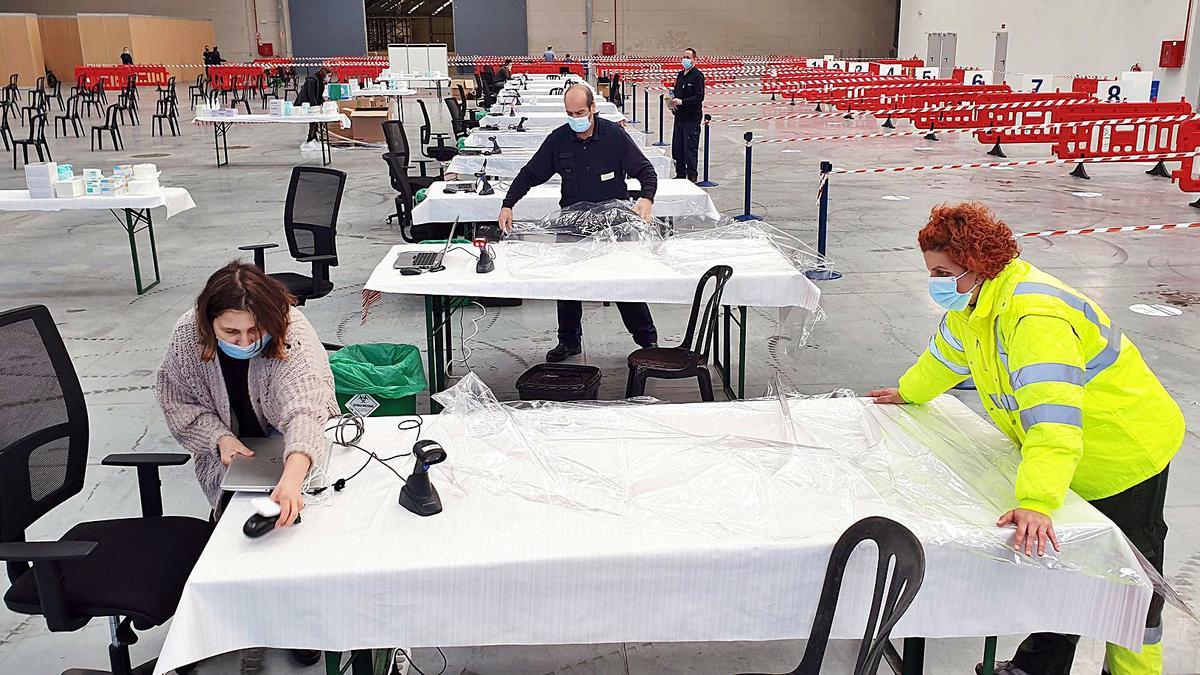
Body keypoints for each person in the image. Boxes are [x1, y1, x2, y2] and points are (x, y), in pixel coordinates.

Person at [868, 203, 1183, 675]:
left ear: (976, 265)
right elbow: (945, 358)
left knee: (1130, 587)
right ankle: (1038, 668)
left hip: (1123, 453)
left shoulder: (1035, 317)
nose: (934, 282)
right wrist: (908, 393)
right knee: (1064, 566)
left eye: (941, 272)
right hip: (1071, 457)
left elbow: (1052, 422)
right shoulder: (976, 305)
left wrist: (1035, 500)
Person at [497, 84, 659, 362]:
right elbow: (530, 173)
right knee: (568, 284)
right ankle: (569, 341)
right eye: (570, 113)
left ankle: (648, 341)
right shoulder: (559, 140)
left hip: (613, 226)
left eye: (580, 112)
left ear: (593, 108)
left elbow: (645, 170)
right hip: (573, 224)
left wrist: (646, 198)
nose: (575, 118)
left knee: (621, 283)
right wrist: (508, 204)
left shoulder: (614, 136)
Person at [669, 47, 705, 182]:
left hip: (691, 118)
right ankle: (680, 174)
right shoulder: (680, 75)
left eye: (688, 57)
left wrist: (683, 102)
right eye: (684, 57)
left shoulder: (697, 76)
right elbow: (676, 93)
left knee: (689, 149)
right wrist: (672, 101)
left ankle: (691, 176)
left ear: (695, 60)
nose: (685, 59)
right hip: (679, 118)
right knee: (677, 148)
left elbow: (699, 97)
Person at [294, 67, 330, 147]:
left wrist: (324, 103)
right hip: (305, 104)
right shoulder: (312, 80)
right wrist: (316, 106)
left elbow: (319, 95)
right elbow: (311, 95)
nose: (329, 78)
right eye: (328, 76)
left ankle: (313, 136)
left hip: (312, 103)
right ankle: (311, 137)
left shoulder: (320, 82)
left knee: (315, 121)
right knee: (313, 120)